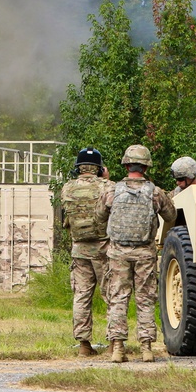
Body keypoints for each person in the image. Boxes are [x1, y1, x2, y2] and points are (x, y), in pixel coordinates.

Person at [96, 144, 176, 363]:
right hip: (145, 253)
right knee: (145, 299)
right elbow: (171, 216)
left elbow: (99, 217)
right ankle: (147, 348)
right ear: (146, 166)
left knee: (118, 298)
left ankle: (118, 348)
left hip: (118, 253)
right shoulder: (155, 192)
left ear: (126, 164)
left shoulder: (112, 191)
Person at [60, 147, 116, 357]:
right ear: (100, 169)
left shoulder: (67, 188)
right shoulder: (109, 186)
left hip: (79, 249)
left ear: (79, 168)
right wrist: (107, 179)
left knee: (81, 296)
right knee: (111, 294)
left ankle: (84, 345)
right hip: (104, 248)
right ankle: (113, 343)